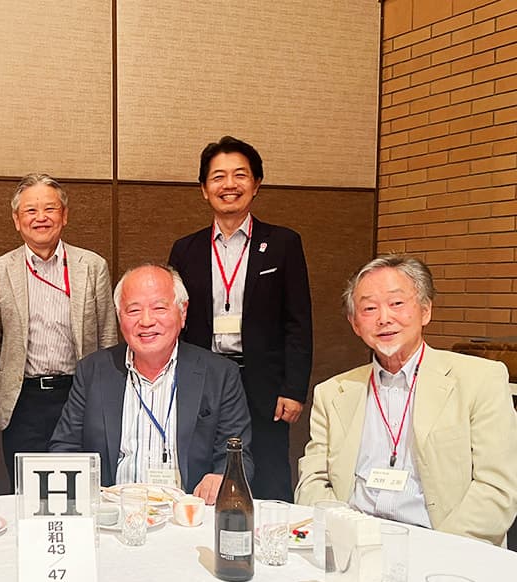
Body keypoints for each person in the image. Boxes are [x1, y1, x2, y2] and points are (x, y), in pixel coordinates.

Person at [295, 255, 517, 545]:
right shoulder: (333, 392)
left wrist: (435, 549)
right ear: (355, 324)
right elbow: (312, 482)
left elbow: (497, 489)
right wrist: (348, 536)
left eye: (397, 303)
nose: (384, 318)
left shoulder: (479, 380)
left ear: (425, 311)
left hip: (444, 547)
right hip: (354, 543)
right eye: (369, 308)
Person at [168, 136, 312, 501]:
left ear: (256, 183)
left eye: (240, 175)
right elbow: (175, 321)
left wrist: (294, 389)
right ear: (204, 189)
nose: (229, 185)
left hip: (264, 382)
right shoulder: (185, 249)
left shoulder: (283, 243)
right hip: (205, 376)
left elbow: (298, 322)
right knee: (205, 466)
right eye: (218, 177)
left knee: (268, 473)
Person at [49, 264, 253, 503]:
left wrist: (222, 477)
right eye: (133, 310)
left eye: (159, 308)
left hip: (187, 513)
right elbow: (64, 448)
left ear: (182, 312)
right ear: (119, 317)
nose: (146, 321)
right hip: (113, 511)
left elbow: (238, 457)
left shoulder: (220, 374)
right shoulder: (93, 371)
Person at [0, 174, 118, 489]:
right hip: (23, 400)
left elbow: (108, 337)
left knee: (80, 489)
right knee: (27, 490)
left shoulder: (91, 266)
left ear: (64, 215)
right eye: (30, 210)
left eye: (49, 209)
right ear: (17, 220)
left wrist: (104, 395)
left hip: (79, 394)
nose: (40, 217)